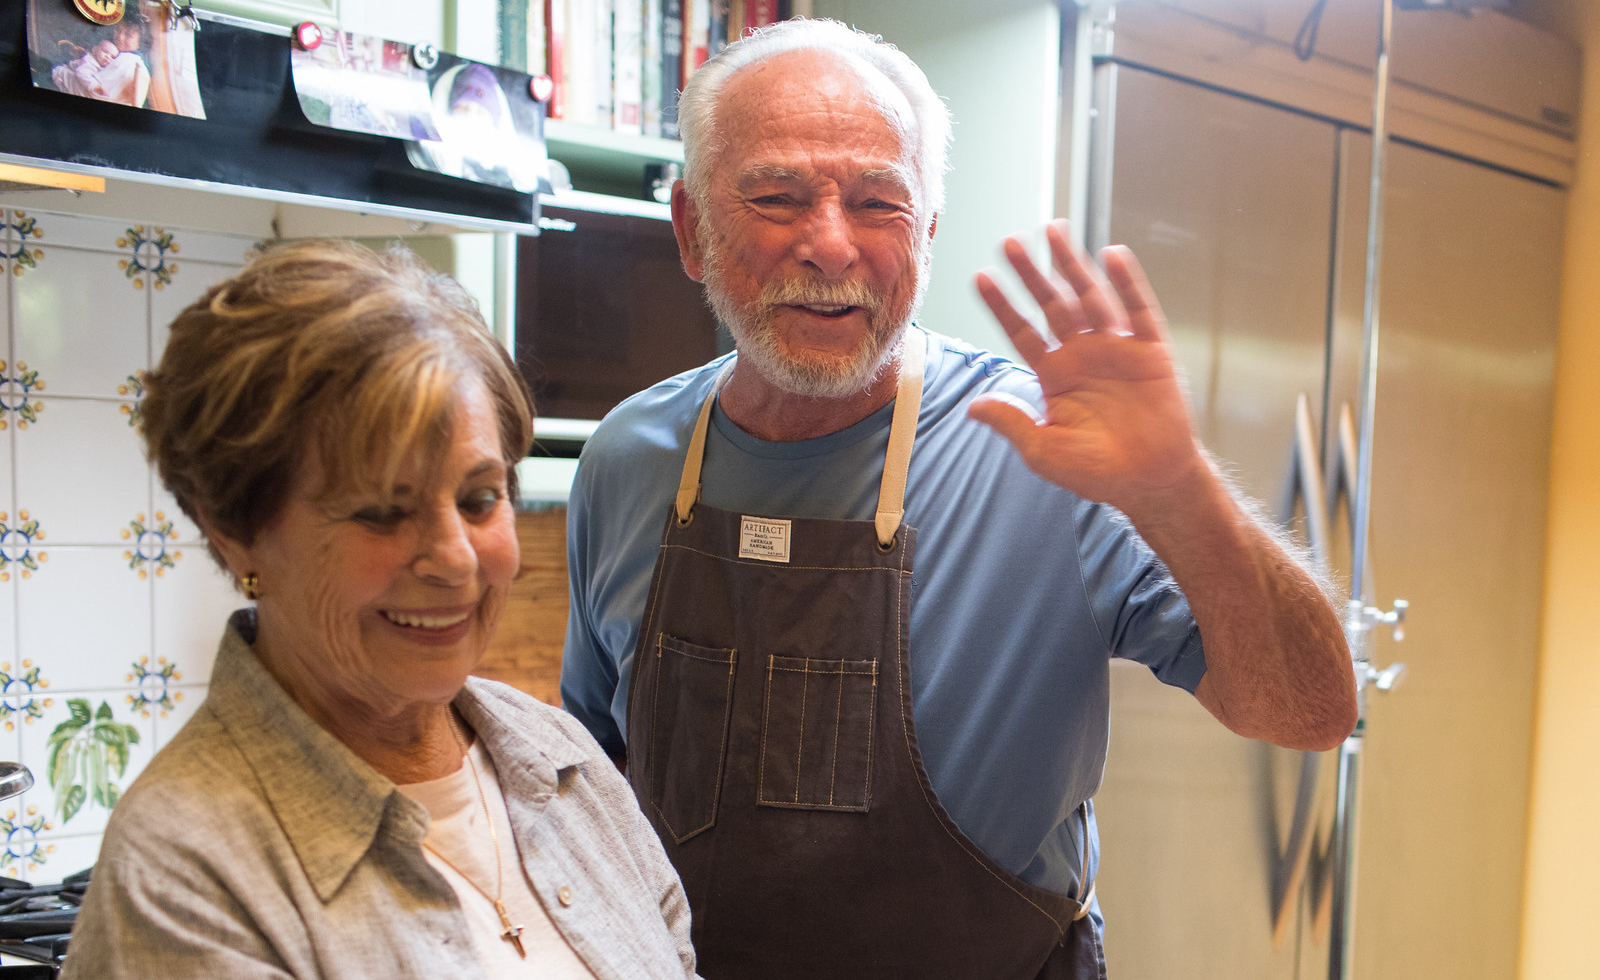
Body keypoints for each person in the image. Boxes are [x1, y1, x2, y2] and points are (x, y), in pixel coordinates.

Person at [559, 17, 1358, 980]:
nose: (830, 246)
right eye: (776, 197)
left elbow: (1309, 713)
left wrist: (1177, 487)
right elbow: (590, 786)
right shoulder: (629, 457)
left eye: (879, 204)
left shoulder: (1044, 454)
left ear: (928, 234)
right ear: (691, 230)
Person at [62, 241, 698, 980]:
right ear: (233, 530)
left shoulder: (565, 760)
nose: (456, 558)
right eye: (383, 512)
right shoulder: (183, 879)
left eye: (479, 498)